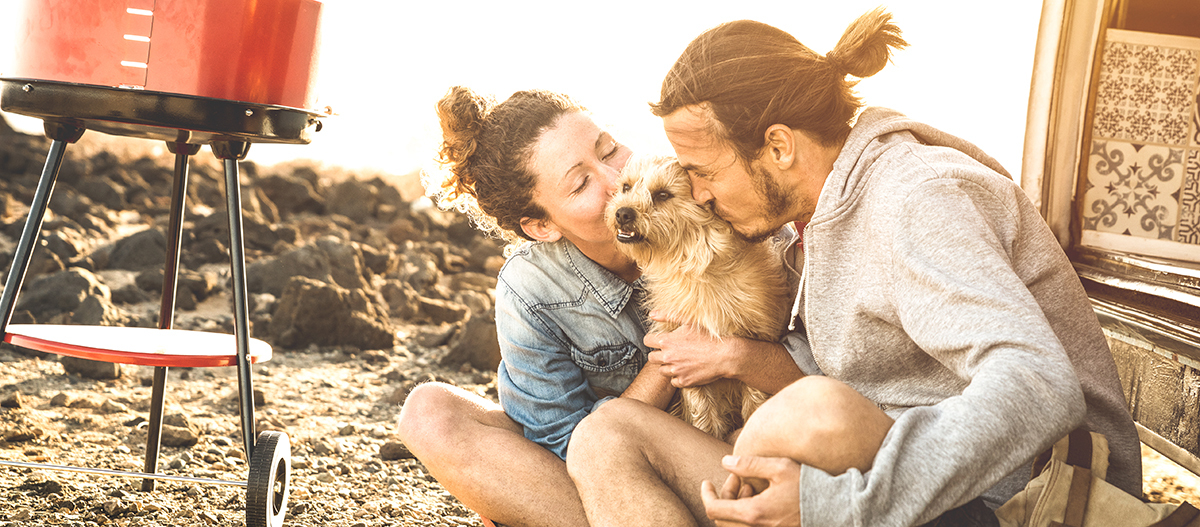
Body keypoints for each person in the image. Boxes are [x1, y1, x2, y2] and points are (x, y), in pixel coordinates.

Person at [564, 9, 1142, 527]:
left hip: (1016, 505)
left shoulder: (916, 199)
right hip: (893, 482)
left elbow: (1039, 385)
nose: (703, 197)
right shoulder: (811, 221)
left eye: (707, 172)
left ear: (779, 147)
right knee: (603, 436)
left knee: (815, 413)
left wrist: (837, 503)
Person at [396, 87, 808, 527]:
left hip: (729, 457)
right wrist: (667, 359)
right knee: (428, 413)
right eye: (580, 183)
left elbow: (828, 377)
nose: (617, 184)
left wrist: (735, 355)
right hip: (610, 468)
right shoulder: (531, 289)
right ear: (541, 226)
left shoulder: (717, 212)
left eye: (609, 150)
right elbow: (565, 446)